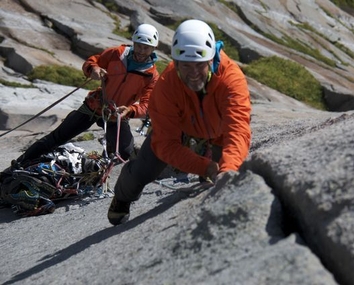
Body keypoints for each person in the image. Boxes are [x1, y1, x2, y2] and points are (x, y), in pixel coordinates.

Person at [107, 19, 252, 226]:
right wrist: (205, 167)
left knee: (225, 171)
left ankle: (211, 170)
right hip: (181, 128)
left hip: (218, 132)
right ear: (176, 62)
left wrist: (226, 170)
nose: (193, 74)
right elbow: (166, 143)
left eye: (199, 65)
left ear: (211, 60)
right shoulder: (167, 85)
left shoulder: (231, 79)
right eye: (185, 66)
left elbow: (238, 130)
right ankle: (122, 197)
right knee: (143, 169)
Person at [12, 23, 160, 167]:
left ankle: (98, 170)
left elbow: (147, 105)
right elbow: (92, 62)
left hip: (116, 114)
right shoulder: (117, 53)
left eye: (146, 48)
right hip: (94, 106)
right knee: (58, 137)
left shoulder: (151, 76)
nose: (141, 51)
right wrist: (93, 69)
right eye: (138, 45)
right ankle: (19, 164)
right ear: (133, 43)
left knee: (125, 151)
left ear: (154, 48)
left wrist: (131, 111)